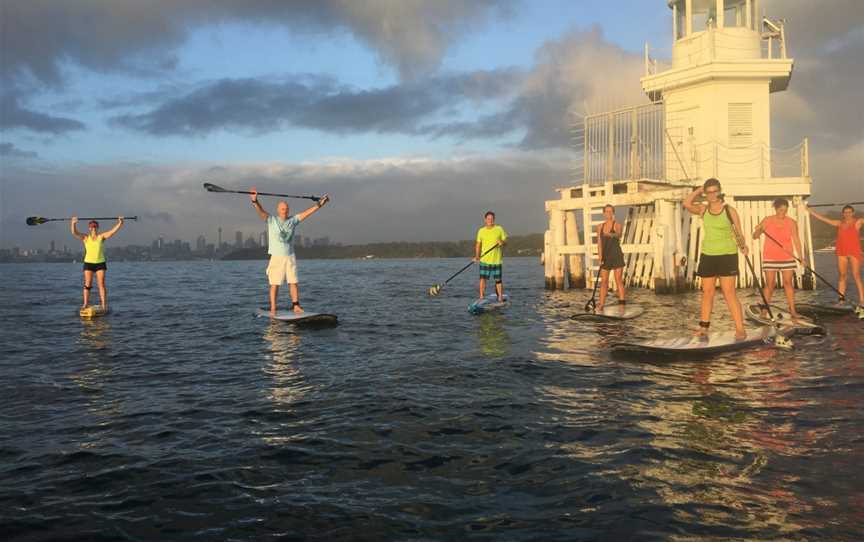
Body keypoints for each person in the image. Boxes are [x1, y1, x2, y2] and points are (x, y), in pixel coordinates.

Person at [683, 178, 749, 340]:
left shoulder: (729, 210)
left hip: (727, 255)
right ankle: (704, 328)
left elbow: (738, 232)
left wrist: (743, 246)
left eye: (715, 191)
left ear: (720, 191)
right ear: (706, 193)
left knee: (729, 292)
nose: (712, 195)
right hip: (708, 255)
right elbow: (686, 203)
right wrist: (699, 190)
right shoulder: (703, 210)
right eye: (709, 192)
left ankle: (740, 329)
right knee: (707, 292)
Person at [250, 188, 331, 314]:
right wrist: (255, 201)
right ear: (278, 210)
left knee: (293, 282)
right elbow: (261, 212)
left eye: (286, 208)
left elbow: (308, 212)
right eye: (282, 208)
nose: (285, 210)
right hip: (277, 257)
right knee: (274, 284)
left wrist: (321, 203)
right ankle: (273, 308)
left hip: (290, 256)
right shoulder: (272, 220)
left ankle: (296, 305)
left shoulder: (293, 220)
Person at [753, 198, 805, 319]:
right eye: (781, 210)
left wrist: (801, 257)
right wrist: (758, 231)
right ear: (776, 209)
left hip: (787, 257)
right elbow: (755, 236)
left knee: (788, 283)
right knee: (770, 284)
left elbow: (796, 240)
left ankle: (792, 311)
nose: (783, 213)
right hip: (770, 257)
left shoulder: (791, 222)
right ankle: (764, 311)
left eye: (785, 210)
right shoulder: (767, 220)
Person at [808, 204, 863, 306]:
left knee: (856, 275)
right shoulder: (839, 223)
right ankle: (841, 300)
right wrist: (811, 212)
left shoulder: (858, 222)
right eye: (845, 212)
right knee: (842, 276)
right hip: (841, 252)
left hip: (854, 252)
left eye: (849, 212)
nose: (847, 214)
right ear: (843, 214)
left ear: (853, 213)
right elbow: (825, 220)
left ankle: (862, 300)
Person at [70, 216, 125, 310]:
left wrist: (120, 223)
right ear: (89, 228)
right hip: (88, 263)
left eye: (95, 226)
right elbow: (74, 232)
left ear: (97, 227)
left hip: (100, 263)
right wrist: (73, 223)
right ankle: (85, 304)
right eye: (91, 226)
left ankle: (104, 305)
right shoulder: (85, 237)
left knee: (101, 284)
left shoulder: (101, 237)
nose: (93, 228)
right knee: (87, 284)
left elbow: (112, 232)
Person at [596, 204, 626, 311]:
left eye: (610, 211)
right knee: (604, 281)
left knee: (618, 280)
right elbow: (599, 244)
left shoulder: (617, 224)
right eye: (606, 211)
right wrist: (600, 258)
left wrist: (611, 235)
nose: (608, 213)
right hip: (606, 257)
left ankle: (622, 304)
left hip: (616, 255)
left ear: (613, 213)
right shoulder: (600, 227)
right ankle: (601, 304)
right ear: (603, 213)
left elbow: (619, 235)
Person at [474, 211, 507, 302]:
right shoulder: (481, 231)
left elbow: (505, 241)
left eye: (492, 219)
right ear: (485, 220)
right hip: (484, 260)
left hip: (496, 260)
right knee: (482, 279)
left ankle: (500, 297)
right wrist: (477, 256)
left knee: (498, 280)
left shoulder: (499, 229)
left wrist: (502, 242)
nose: (490, 220)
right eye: (488, 219)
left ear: (494, 220)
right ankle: (481, 297)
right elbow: (478, 244)